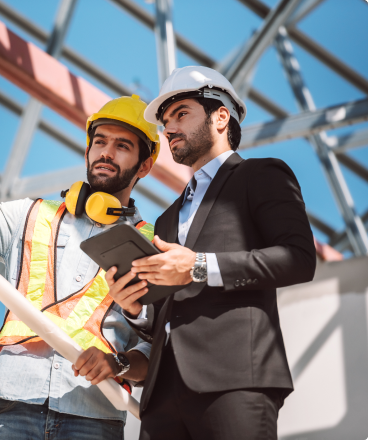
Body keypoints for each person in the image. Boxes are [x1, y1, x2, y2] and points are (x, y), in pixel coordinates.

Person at [0, 89, 160, 439]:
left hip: (94, 416)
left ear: (145, 164)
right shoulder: (31, 215)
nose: (106, 152)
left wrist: (117, 364)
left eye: (123, 145)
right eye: (100, 141)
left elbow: (158, 349)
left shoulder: (151, 244)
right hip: (12, 405)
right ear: (88, 149)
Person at [106, 66, 317, 440]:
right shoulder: (167, 218)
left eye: (181, 114)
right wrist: (134, 306)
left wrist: (199, 266)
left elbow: (299, 258)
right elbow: (164, 313)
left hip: (234, 380)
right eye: (166, 121)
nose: (169, 128)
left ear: (221, 116)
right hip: (161, 397)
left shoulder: (261, 175)